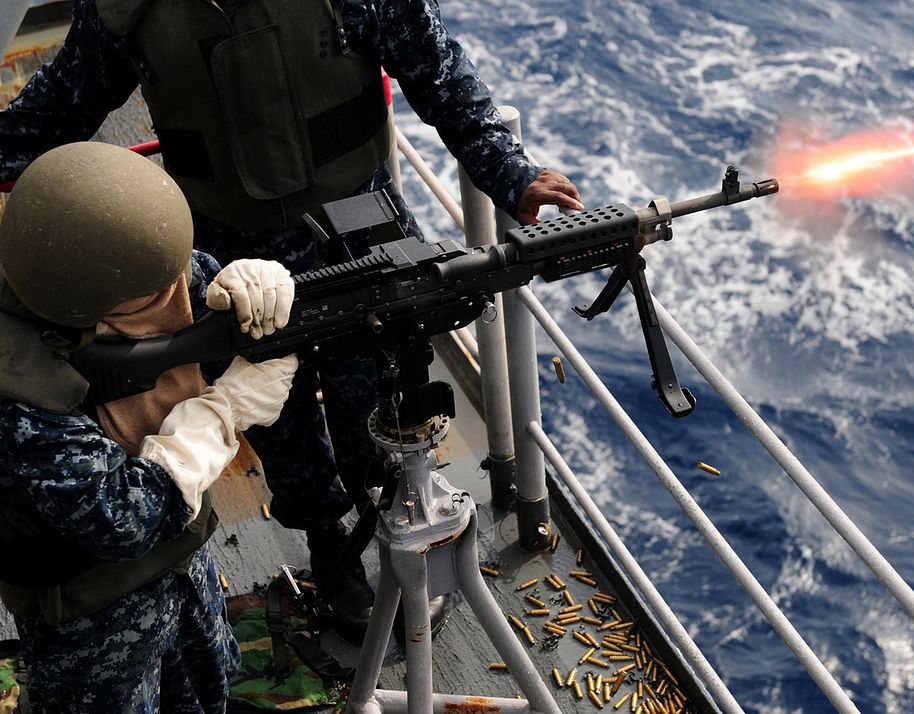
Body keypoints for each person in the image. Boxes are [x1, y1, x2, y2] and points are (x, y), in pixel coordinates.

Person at [0, 0, 584, 644]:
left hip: (364, 234)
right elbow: (54, 113)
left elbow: (439, 74)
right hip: (225, 259)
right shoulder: (128, 8)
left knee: (385, 396)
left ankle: (396, 517)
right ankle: (328, 547)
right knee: (277, 416)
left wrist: (514, 176)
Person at [0, 141, 299, 712]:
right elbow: (125, 520)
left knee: (208, 690)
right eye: (157, 290)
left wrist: (252, 294)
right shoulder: (18, 393)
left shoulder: (96, 272)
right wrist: (225, 412)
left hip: (184, 560)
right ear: (86, 307)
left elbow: (188, 290)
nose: (178, 290)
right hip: (94, 619)